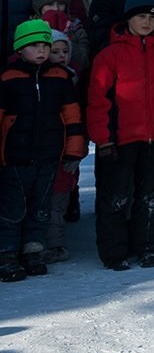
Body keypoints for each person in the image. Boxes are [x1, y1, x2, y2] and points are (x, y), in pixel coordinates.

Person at [88, 0, 154, 270]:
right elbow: (98, 100)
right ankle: (114, 252)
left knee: (150, 197)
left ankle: (146, 247)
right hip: (119, 139)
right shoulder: (110, 54)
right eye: (141, 16)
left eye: (152, 17)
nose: (147, 22)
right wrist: (103, 139)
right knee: (116, 197)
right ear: (128, 18)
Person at [0, 20, 86, 281]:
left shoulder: (59, 78)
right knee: (13, 208)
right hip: (15, 158)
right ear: (20, 49)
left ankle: (33, 250)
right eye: (34, 46)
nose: (41, 51)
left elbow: (72, 116)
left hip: (49, 156)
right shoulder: (8, 77)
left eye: (45, 46)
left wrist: (74, 149)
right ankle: (7, 254)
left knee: (40, 206)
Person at [41, 31, 82, 264]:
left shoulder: (74, 79)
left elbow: (76, 119)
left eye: (65, 52)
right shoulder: (41, 79)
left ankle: (55, 245)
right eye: (55, 52)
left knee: (58, 202)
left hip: (67, 149)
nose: (61, 56)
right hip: (45, 150)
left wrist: (76, 150)